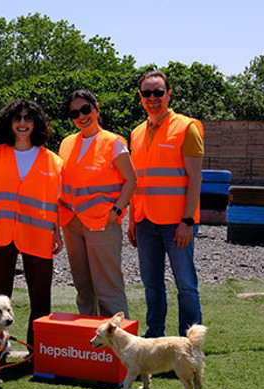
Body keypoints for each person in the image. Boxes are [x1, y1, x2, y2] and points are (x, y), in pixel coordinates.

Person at [128, 70, 204, 338]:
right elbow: (136, 180)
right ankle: (155, 338)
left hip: (177, 223)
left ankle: (188, 344)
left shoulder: (187, 128)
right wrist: (132, 219)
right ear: (140, 97)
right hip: (145, 220)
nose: (152, 98)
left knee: (186, 285)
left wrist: (188, 221)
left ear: (168, 94)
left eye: (158, 92)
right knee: (152, 284)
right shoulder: (136, 133)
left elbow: (195, 177)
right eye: (147, 93)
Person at [0, 99, 63, 351]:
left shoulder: (53, 160)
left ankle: (37, 352)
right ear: (10, 123)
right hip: (3, 234)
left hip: (38, 234)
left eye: (28, 118)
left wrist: (57, 231)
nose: (23, 123)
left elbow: (56, 199)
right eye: (18, 118)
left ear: (36, 123)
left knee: (40, 296)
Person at [58, 89, 136, 317]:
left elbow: (131, 179)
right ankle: (89, 342)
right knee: (83, 288)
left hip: (102, 224)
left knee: (108, 288)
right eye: (75, 113)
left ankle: (121, 343)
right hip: (71, 224)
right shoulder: (66, 143)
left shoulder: (113, 142)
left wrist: (117, 210)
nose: (81, 116)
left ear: (96, 108)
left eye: (85, 109)